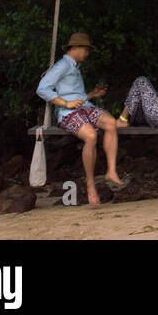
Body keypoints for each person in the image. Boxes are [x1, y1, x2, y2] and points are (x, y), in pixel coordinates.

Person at [36, 32, 124, 206]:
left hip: (85, 107)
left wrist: (92, 94)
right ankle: (91, 185)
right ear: (75, 48)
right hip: (68, 113)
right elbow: (42, 88)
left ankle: (111, 170)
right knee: (91, 136)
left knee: (111, 123)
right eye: (86, 49)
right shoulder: (62, 66)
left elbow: (76, 95)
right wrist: (65, 103)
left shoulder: (75, 67)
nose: (87, 53)